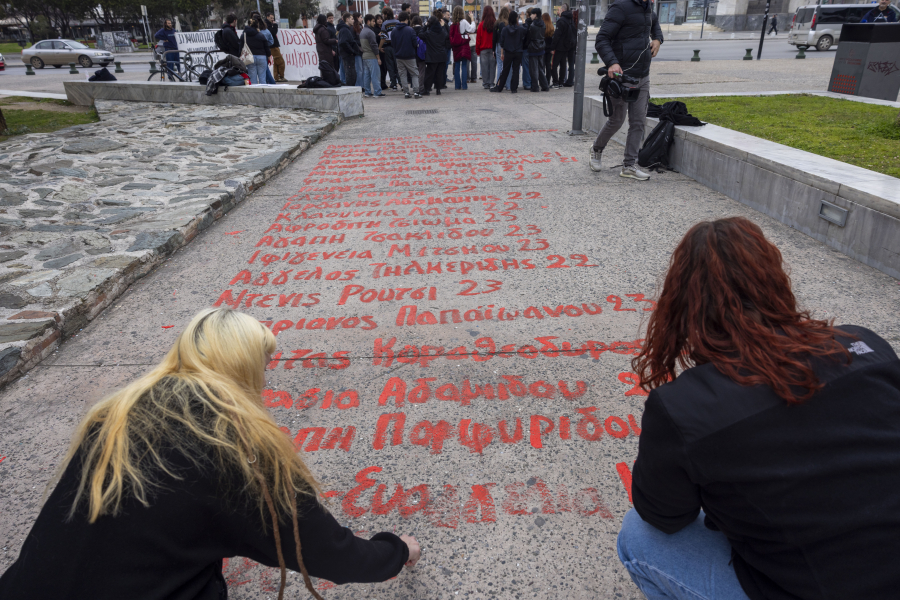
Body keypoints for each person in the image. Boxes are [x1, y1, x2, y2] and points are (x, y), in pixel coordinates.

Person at [0, 308, 422, 599]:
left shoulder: (116, 412)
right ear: (247, 367)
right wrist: (398, 550)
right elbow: (333, 556)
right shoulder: (238, 450)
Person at [618, 216, 900, 600]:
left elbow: (664, 516)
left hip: (816, 586)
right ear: (774, 281)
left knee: (638, 538)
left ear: (683, 303)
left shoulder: (683, 406)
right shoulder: (866, 345)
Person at [591, 0, 663, 180]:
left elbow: (655, 25)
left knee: (638, 122)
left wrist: (657, 39)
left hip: (643, 76)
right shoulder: (620, 7)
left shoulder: (648, 8)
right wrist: (612, 63)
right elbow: (602, 39)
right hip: (621, 76)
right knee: (616, 120)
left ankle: (629, 165)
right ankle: (596, 149)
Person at [491, 11, 526, 93]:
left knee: (505, 70)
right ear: (517, 18)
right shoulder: (520, 29)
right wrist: (523, 19)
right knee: (516, 70)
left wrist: (502, 53)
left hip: (508, 52)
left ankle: (500, 87)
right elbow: (526, 29)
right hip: (518, 52)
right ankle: (514, 88)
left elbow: (501, 43)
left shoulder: (505, 29)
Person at [392, 11, 421, 98]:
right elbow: (415, 43)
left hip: (398, 56)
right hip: (410, 56)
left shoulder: (394, 31)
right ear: (406, 20)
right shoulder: (410, 30)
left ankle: (406, 93)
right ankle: (416, 92)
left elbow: (393, 44)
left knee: (402, 75)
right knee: (414, 74)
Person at [419, 15, 449, 95]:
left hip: (432, 57)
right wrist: (444, 26)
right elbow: (447, 35)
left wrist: (425, 26)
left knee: (429, 74)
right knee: (439, 73)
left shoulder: (429, 33)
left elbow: (420, 34)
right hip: (442, 56)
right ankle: (438, 89)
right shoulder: (442, 32)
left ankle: (427, 89)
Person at [360, 14, 385, 97]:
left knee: (366, 75)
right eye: (373, 21)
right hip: (372, 56)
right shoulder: (371, 32)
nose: (374, 23)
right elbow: (374, 46)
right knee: (375, 75)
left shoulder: (362, 31)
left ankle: (367, 92)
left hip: (365, 56)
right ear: (368, 21)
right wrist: (378, 58)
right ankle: (377, 92)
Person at [449, 7, 474, 90]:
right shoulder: (464, 22)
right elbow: (472, 29)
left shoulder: (452, 24)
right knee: (464, 65)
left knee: (456, 65)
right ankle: (464, 85)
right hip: (464, 45)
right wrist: (472, 19)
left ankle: (457, 85)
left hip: (456, 47)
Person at [526, 8, 549, 92]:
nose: (530, 15)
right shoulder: (543, 24)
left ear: (535, 14)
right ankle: (545, 85)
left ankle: (535, 87)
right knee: (540, 68)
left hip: (533, 48)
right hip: (541, 47)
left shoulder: (532, 25)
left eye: (532, 14)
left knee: (533, 69)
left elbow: (529, 37)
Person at [243, 17, 271, 85]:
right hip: (262, 57)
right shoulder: (261, 35)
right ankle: (263, 94)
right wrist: (269, 55)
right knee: (262, 79)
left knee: (252, 79)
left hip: (250, 57)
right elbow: (266, 46)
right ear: (257, 25)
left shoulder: (244, 35)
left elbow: (241, 45)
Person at [552, 5, 575, 87]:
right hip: (567, 45)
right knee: (563, 64)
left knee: (554, 65)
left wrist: (553, 46)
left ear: (562, 10)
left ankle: (555, 82)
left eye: (559, 9)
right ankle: (561, 82)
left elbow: (557, 35)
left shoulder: (561, 20)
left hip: (559, 46)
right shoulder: (571, 19)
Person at [314, 14, 341, 86]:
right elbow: (326, 40)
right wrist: (335, 41)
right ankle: (330, 82)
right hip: (326, 51)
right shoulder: (323, 29)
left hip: (321, 50)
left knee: (323, 66)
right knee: (329, 66)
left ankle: (325, 81)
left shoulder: (317, 29)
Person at [337, 12, 361, 86]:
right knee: (350, 75)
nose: (353, 20)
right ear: (347, 19)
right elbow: (343, 43)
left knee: (352, 74)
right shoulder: (344, 30)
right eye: (352, 19)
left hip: (349, 55)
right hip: (348, 56)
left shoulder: (346, 29)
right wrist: (351, 51)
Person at [380, 7, 400, 90]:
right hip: (397, 47)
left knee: (390, 66)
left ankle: (393, 84)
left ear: (386, 15)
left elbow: (383, 37)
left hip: (388, 47)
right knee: (398, 65)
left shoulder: (384, 24)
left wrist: (380, 47)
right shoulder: (398, 22)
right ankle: (401, 83)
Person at [476, 6, 496, 90]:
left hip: (483, 48)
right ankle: (491, 83)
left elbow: (478, 39)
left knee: (484, 67)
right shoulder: (495, 23)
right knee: (492, 66)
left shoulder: (481, 25)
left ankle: (485, 83)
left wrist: (477, 50)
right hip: (492, 49)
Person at [266, 13, 287, 82]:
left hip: (272, 46)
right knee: (281, 62)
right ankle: (281, 76)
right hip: (273, 46)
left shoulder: (267, 24)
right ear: (267, 17)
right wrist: (275, 25)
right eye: (271, 18)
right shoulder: (267, 25)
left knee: (276, 62)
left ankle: (277, 77)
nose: (272, 20)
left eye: (273, 18)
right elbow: (273, 32)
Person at [494, 6, 510, 89]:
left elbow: (494, 37)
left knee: (499, 64)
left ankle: (499, 83)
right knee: (507, 65)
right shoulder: (509, 23)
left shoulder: (498, 23)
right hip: (507, 45)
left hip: (499, 44)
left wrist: (493, 49)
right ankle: (507, 84)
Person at [412, 15, 427, 94]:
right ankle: (421, 88)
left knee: (414, 72)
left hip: (413, 54)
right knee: (422, 71)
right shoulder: (422, 29)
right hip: (421, 53)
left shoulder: (410, 30)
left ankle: (415, 87)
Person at [542, 12, 556, 87]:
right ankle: (547, 81)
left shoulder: (542, 27)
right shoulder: (551, 27)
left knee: (542, 65)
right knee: (548, 65)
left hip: (543, 48)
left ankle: (543, 81)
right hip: (550, 49)